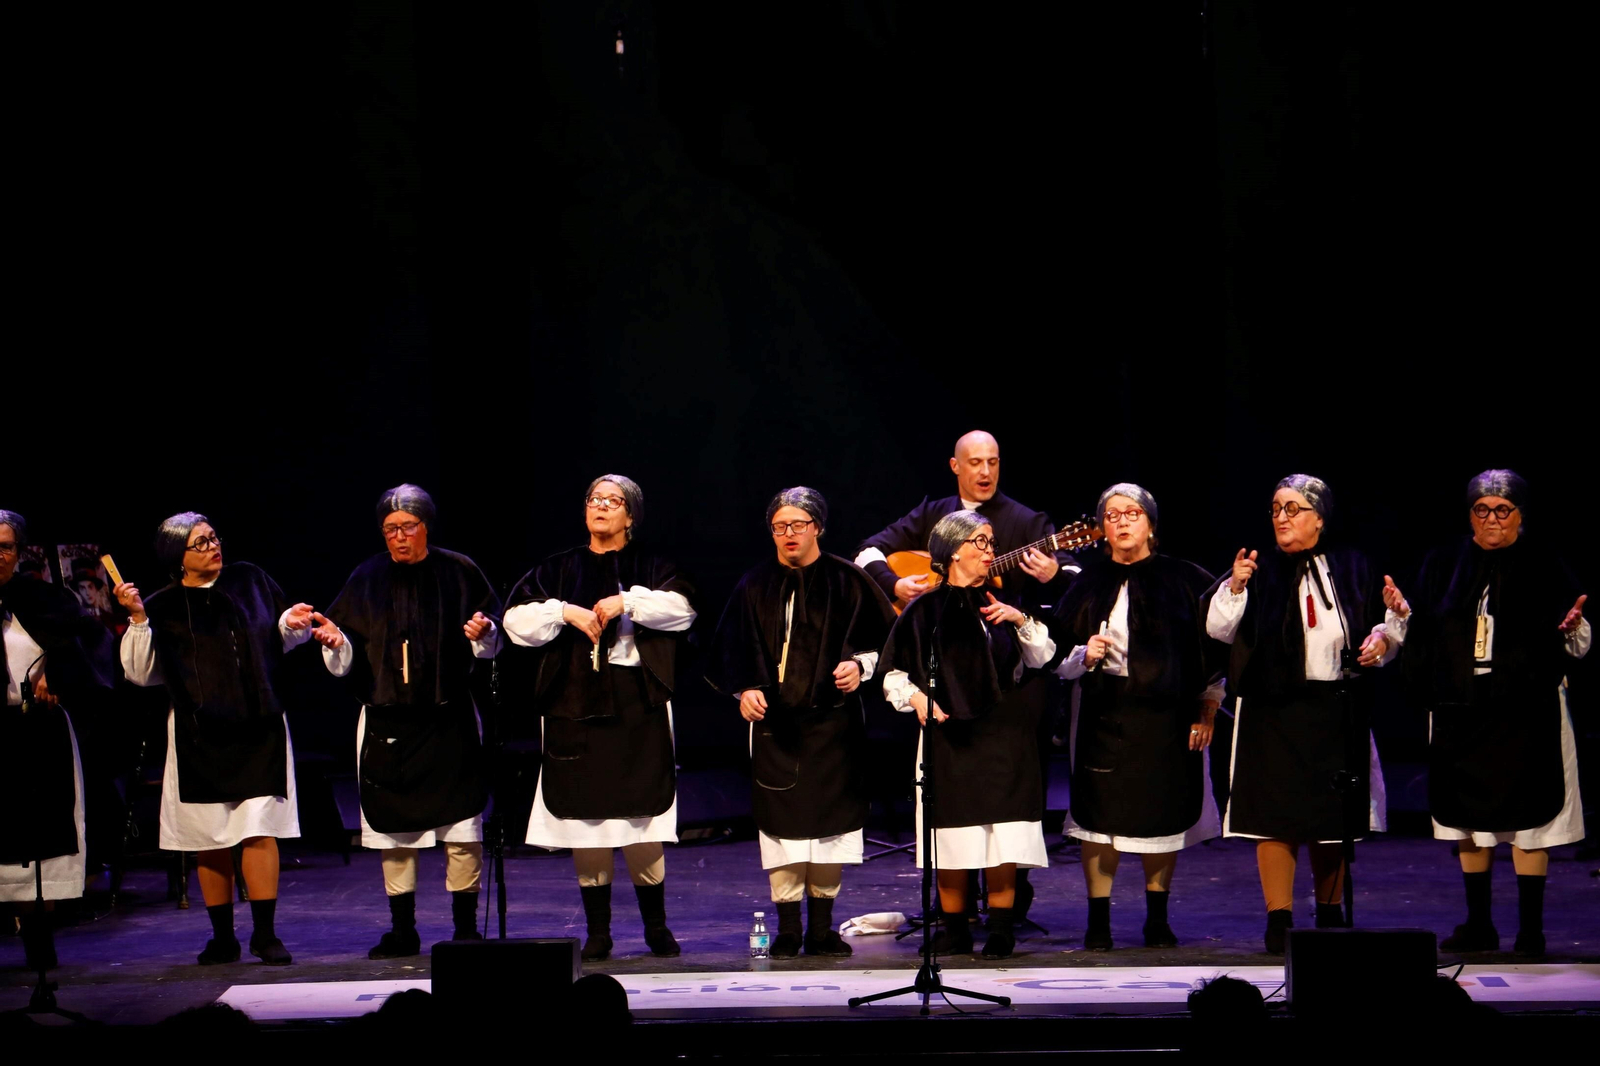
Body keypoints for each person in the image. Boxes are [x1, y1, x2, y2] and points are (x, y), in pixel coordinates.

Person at [854, 429, 1078, 921]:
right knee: (952, 801)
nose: (985, 472)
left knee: (1014, 791)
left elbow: (1076, 580)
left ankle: (1010, 903)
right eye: (974, 462)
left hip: (1008, 671)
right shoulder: (931, 515)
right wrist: (896, 584)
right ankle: (952, 910)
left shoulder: (1027, 522)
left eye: (993, 461)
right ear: (955, 466)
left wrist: (1052, 575)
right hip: (948, 680)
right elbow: (868, 552)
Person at [1387, 470, 1588, 956]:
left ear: (1520, 514)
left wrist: (1571, 630)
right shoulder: (1444, 562)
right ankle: (1479, 924)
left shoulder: (1544, 563)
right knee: (1468, 819)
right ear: (1469, 514)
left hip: (1527, 708)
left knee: (1530, 818)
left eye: (1502, 509)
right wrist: (1402, 614)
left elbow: (1577, 643)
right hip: (1462, 706)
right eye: (1482, 509)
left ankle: (1531, 931)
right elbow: (1421, 628)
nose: (1492, 519)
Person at [1203, 474, 1400, 954]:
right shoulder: (1256, 568)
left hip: (1334, 707)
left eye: (1293, 509)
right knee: (1274, 819)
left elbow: (1385, 628)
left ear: (1320, 518)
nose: (1282, 518)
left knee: (1332, 817)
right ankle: (1279, 919)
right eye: (1275, 509)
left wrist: (1384, 639)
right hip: (1272, 711)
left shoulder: (1352, 567)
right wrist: (1233, 586)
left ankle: (1330, 912)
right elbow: (1217, 628)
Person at [505, 475, 696, 960]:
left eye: (613, 502)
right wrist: (565, 611)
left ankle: (656, 926)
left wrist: (627, 601)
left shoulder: (653, 564)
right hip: (575, 702)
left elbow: (683, 611)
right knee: (584, 819)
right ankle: (599, 931)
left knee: (641, 817)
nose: (601, 507)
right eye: (594, 499)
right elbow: (515, 622)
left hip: (636, 703)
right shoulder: (559, 568)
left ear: (630, 515)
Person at [117, 513, 316, 965]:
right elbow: (141, 673)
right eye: (200, 543)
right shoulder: (162, 606)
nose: (212, 547)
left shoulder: (251, 581)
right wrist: (137, 620)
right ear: (178, 557)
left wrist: (293, 623)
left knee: (259, 830)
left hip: (259, 724)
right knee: (210, 835)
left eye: (213, 538)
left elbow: (278, 637)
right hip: (198, 733)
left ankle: (265, 934)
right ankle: (222, 936)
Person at [705, 487, 896, 957]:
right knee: (781, 826)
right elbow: (731, 649)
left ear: (818, 528)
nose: (788, 534)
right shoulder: (754, 584)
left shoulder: (848, 581)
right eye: (779, 526)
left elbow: (886, 641)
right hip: (776, 726)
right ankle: (789, 926)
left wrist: (861, 666)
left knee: (832, 825)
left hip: (834, 725)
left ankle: (822, 927)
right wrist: (744, 689)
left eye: (798, 525)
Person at [317, 484, 501, 958]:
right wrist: (336, 642)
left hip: (448, 718)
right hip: (388, 720)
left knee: (461, 827)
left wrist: (484, 634)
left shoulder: (459, 571)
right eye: (389, 530)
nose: (398, 537)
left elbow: (493, 639)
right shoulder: (366, 576)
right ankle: (403, 929)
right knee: (393, 829)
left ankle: (464, 928)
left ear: (426, 527)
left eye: (407, 527)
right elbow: (345, 644)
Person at [1051, 484, 1224, 950]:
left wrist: (1207, 708)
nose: (1122, 521)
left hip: (1167, 718)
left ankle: (1156, 919)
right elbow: (1054, 656)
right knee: (1097, 819)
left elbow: (1214, 653)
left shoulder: (1187, 580)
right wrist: (1084, 655)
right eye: (1111, 515)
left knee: (1162, 817)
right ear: (1102, 528)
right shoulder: (1087, 583)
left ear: (1150, 523)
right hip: (1104, 715)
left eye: (1132, 513)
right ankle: (1098, 923)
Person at [880, 510, 1057, 960]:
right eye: (981, 542)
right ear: (954, 550)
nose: (990, 550)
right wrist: (919, 700)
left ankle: (1001, 929)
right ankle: (955, 928)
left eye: (991, 541)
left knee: (1004, 834)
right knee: (953, 833)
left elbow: (1042, 657)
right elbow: (893, 673)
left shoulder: (1002, 603)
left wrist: (1020, 620)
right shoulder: (924, 610)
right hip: (950, 737)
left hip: (1004, 734)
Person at [0, 510, 115, 971]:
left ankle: (40, 955)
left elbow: (87, 650)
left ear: (18, 552)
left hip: (36, 732)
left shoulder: (45, 599)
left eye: (5, 546)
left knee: (41, 846)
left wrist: (55, 672)